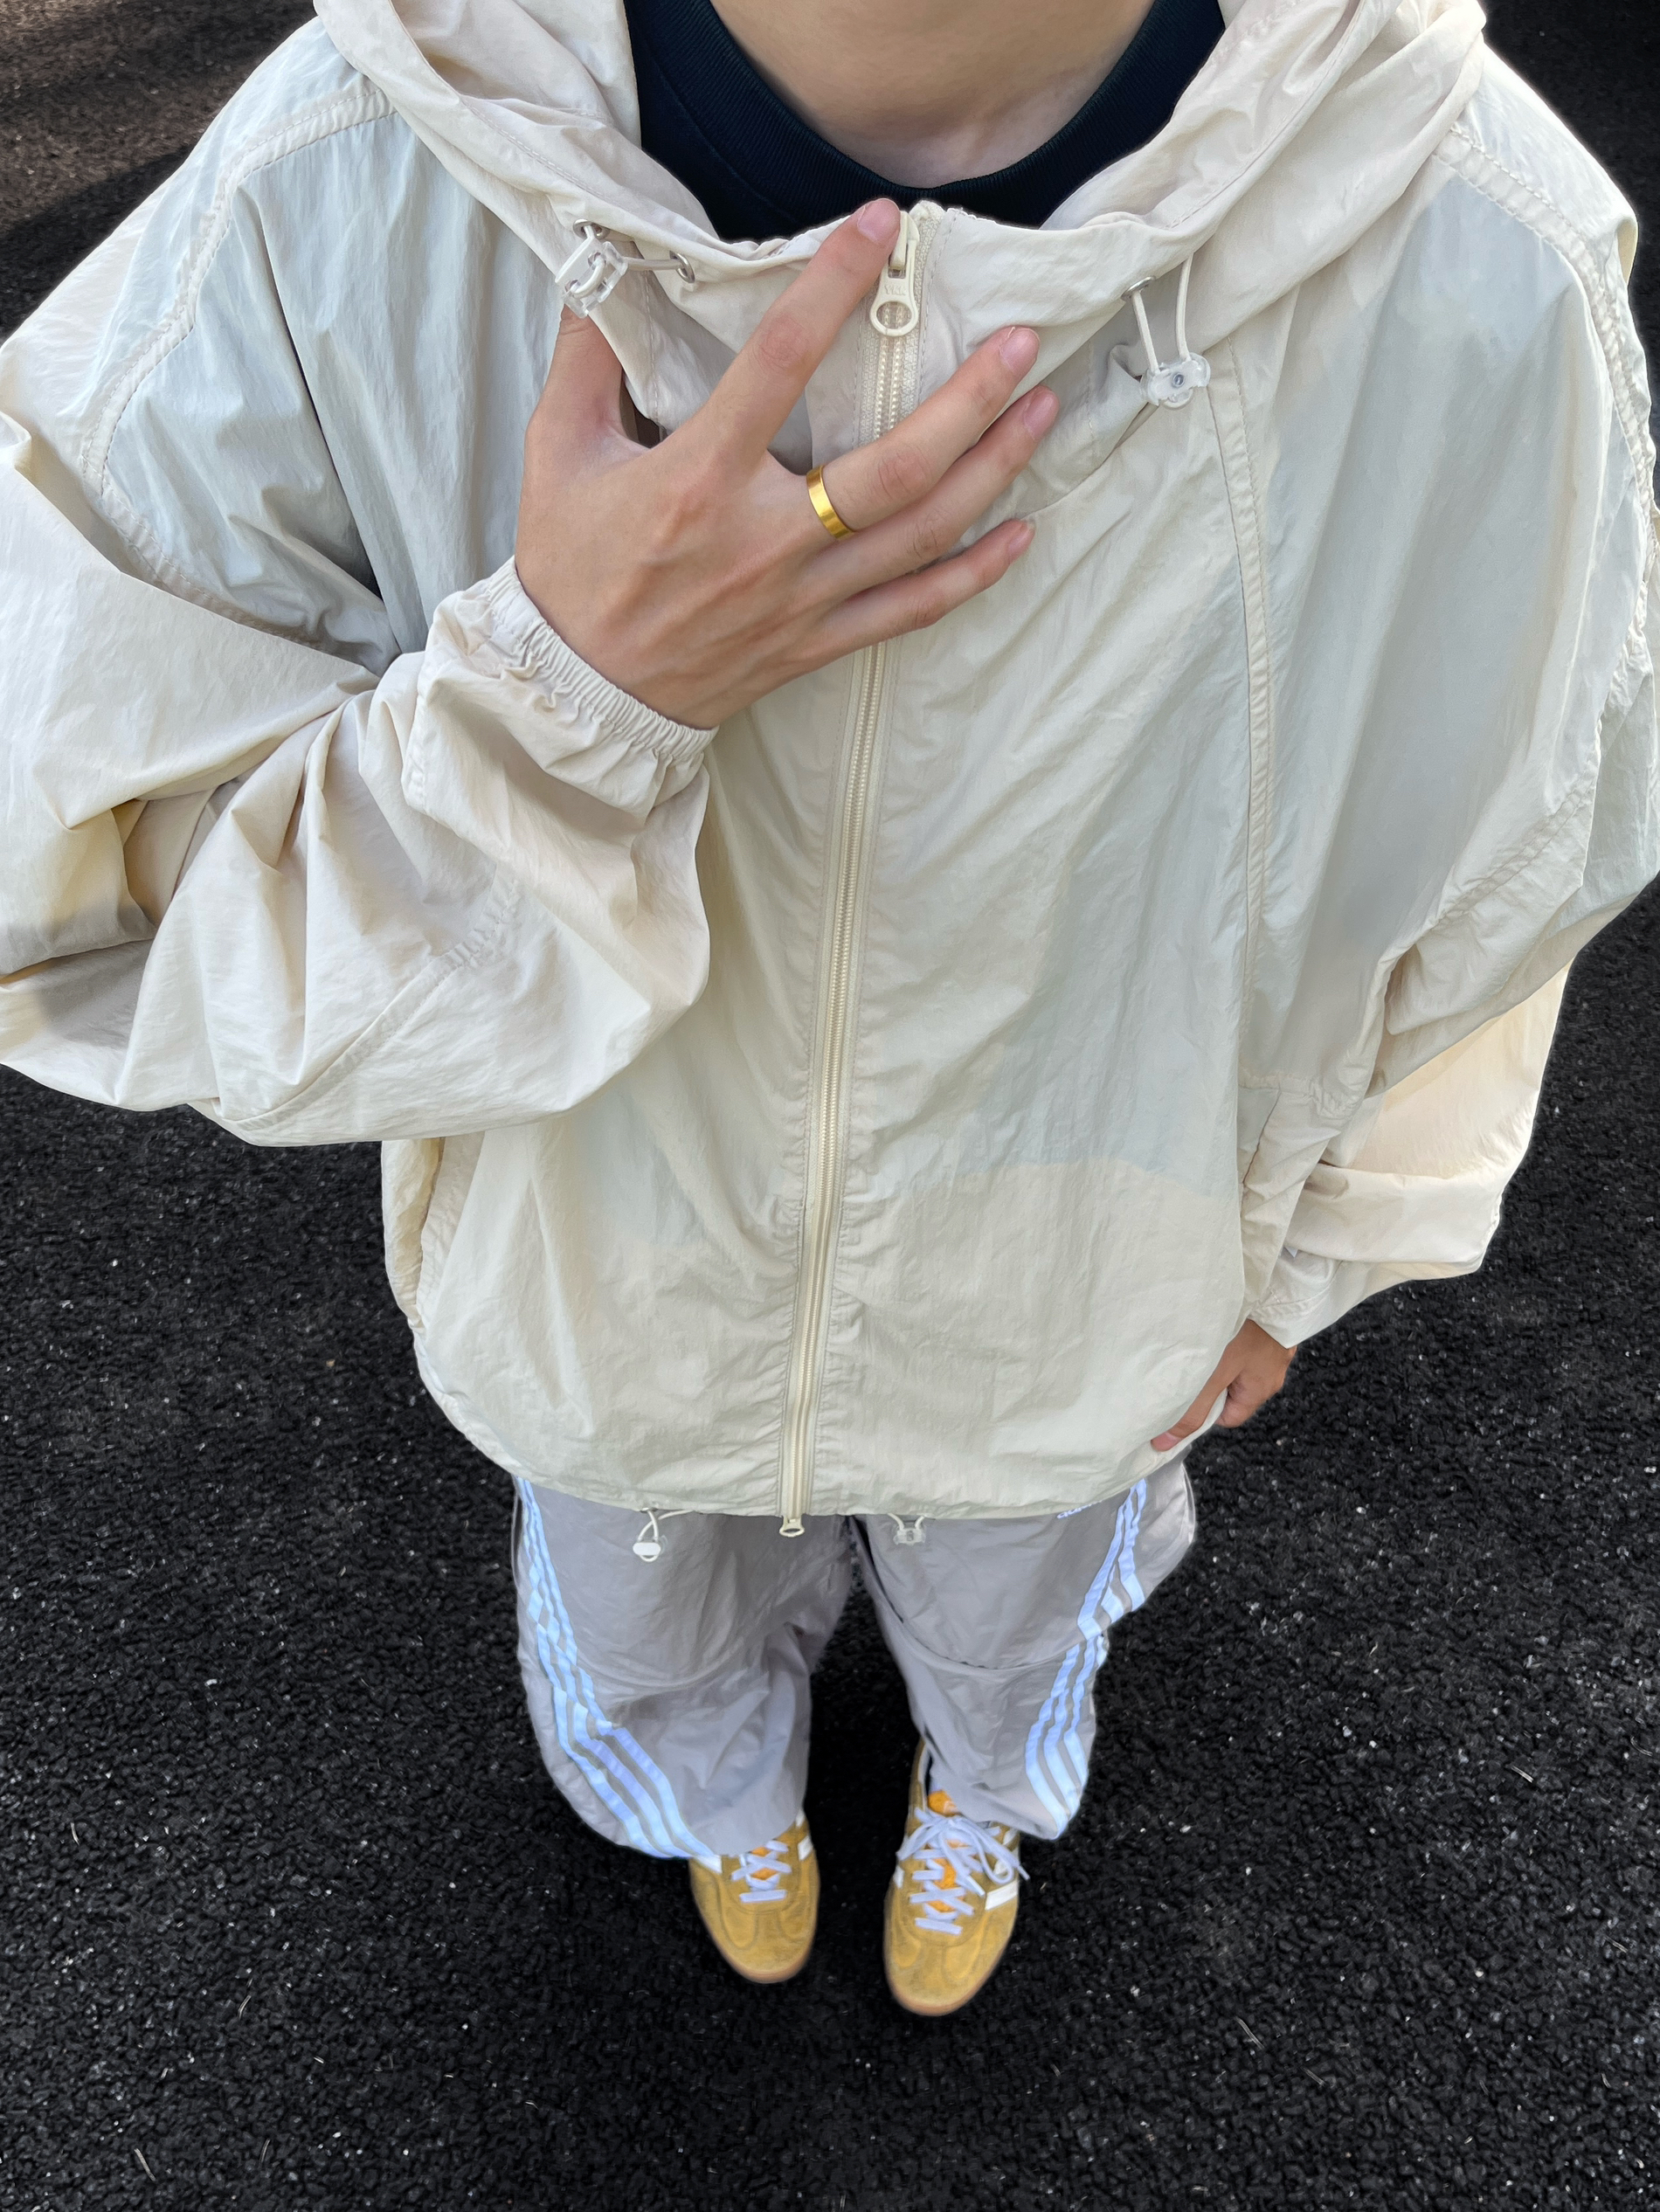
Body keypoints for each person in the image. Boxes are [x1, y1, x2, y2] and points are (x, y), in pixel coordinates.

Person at [0, 0, 1654, 2017]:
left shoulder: (1467, 240)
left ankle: (978, 1785)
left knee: (1015, 1591)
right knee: (645, 1596)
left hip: (1086, 1260)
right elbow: (65, 870)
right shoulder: (360, 170)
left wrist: (1326, 1240)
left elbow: (1515, 840)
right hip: (606, 1254)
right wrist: (559, 706)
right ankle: (718, 1793)